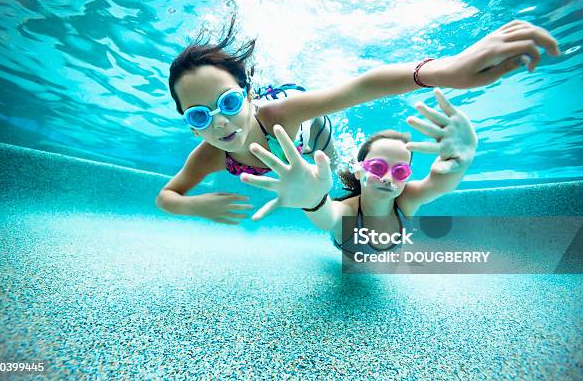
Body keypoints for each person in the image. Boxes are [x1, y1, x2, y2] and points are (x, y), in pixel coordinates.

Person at [156, 16, 559, 225]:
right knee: (319, 190)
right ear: (189, 124)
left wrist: (444, 70)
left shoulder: (279, 113)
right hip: (293, 164)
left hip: (316, 137)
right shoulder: (208, 154)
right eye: (199, 115)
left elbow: (360, 88)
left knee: (348, 177)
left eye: (228, 103)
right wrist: (196, 207)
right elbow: (166, 196)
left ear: (247, 94)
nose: (220, 123)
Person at [240, 89, 477, 256]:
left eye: (400, 171)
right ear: (359, 170)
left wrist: (461, 160)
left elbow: (440, 183)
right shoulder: (348, 213)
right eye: (377, 167)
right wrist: (312, 200)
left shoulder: (406, 199)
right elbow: (328, 217)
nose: (387, 178)